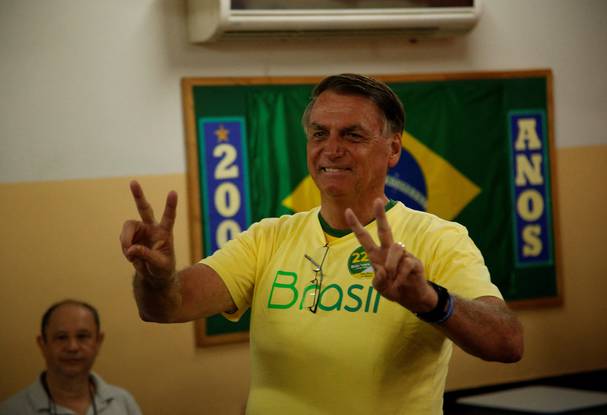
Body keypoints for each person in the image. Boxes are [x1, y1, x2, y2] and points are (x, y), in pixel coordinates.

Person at [120, 73, 523, 414]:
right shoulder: (268, 237)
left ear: (394, 148)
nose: (332, 149)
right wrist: (155, 278)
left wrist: (430, 300)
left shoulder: (439, 239)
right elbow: (166, 307)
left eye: (352, 135)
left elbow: (507, 342)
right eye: (319, 134)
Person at [0, 300, 142, 415]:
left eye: (82, 336)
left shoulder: (123, 402)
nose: (72, 347)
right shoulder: (12, 410)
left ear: (98, 342)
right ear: (42, 344)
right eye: (61, 337)